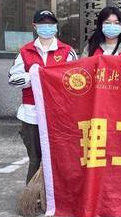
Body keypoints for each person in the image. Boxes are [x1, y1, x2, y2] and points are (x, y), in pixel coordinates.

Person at [8, 10, 78, 184]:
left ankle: (59, 193)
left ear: (56, 26)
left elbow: (76, 80)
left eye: (50, 23)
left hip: (59, 114)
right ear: (35, 26)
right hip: (31, 115)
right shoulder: (25, 51)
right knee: (35, 159)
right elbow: (13, 79)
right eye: (42, 23)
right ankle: (34, 194)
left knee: (60, 159)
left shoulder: (67, 51)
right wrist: (34, 76)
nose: (47, 27)